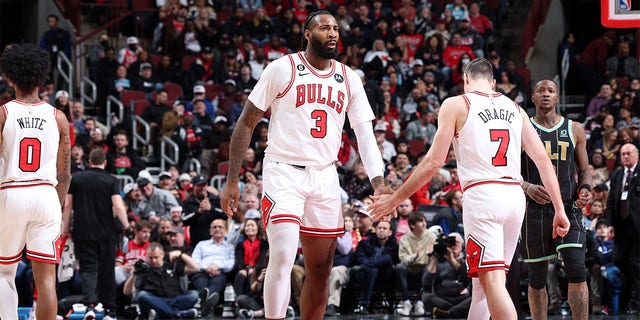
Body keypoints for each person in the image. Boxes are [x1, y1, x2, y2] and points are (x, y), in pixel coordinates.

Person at [368, 58, 570, 320]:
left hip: (483, 195)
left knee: (493, 282)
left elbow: (432, 163)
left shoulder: (456, 104)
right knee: (482, 287)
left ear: (465, 79)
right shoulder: (515, 108)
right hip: (513, 197)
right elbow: (543, 161)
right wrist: (560, 209)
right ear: (494, 83)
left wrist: (395, 198)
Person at [220, 10, 390, 320]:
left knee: (321, 269)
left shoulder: (349, 78)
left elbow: (365, 135)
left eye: (336, 28)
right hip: (283, 170)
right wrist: (232, 180)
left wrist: (378, 183)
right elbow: (246, 123)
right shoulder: (281, 69)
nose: (333, 32)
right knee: (283, 254)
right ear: (307, 34)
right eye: (324, 27)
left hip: (325, 175)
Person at [0, 43, 71, 320]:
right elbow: (64, 174)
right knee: (46, 281)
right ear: (42, 79)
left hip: (12, 191)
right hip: (46, 195)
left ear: (9, 77)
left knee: (5, 272)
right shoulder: (59, 117)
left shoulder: (4, 113)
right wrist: (56, 206)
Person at [519, 79, 592, 320]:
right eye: (540, 91)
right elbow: (508, 171)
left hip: (569, 208)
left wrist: (585, 189)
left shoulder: (575, 129)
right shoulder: (521, 128)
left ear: (558, 98)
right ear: (533, 98)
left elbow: (584, 169)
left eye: (551, 91)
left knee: (577, 269)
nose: (546, 95)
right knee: (537, 279)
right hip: (534, 211)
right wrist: (527, 186)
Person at [61, 149, 128, 320]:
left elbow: (67, 205)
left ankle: (90, 305)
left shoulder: (76, 178)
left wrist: (65, 228)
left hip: (83, 231)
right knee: (107, 270)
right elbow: (118, 206)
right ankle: (109, 310)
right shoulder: (111, 180)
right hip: (107, 233)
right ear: (104, 162)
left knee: (88, 269)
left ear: (89, 161)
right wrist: (126, 225)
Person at [122, 242, 202, 320]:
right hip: (154, 301)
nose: (153, 261)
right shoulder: (143, 269)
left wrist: (181, 255)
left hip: (175, 299)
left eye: (156, 257)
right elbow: (126, 292)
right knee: (142, 295)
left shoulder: (172, 265)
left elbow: (196, 268)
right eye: (150, 258)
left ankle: (161, 314)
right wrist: (133, 274)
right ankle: (178, 314)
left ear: (162, 255)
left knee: (193, 295)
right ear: (146, 256)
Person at [606, 143, 640, 314]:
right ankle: (629, 299)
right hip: (621, 226)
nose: (625, 157)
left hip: (637, 227)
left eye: (628, 153)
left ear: (636, 155)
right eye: (623, 154)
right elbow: (611, 200)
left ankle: (635, 303)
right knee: (619, 260)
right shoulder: (617, 174)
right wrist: (610, 223)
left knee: (637, 264)